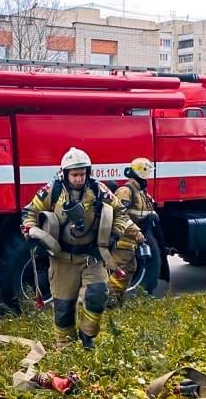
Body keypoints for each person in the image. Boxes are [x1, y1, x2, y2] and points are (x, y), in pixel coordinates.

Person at [21, 147, 128, 350]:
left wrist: (116, 232)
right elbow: (30, 212)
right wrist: (32, 232)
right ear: (65, 173)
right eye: (75, 174)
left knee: (97, 295)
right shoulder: (52, 191)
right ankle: (66, 347)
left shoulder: (99, 191)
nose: (79, 178)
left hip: (92, 257)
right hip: (62, 259)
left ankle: (87, 336)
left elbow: (120, 212)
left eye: (83, 173)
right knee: (63, 309)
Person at [108, 157, 156, 304]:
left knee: (128, 269)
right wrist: (137, 233)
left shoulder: (140, 193)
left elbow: (143, 211)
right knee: (120, 272)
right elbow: (120, 215)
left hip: (131, 243)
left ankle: (117, 301)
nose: (148, 179)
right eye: (146, 175)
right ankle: (109, 302)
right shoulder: (125, 191)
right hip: (122, 241)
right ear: (140, 175)